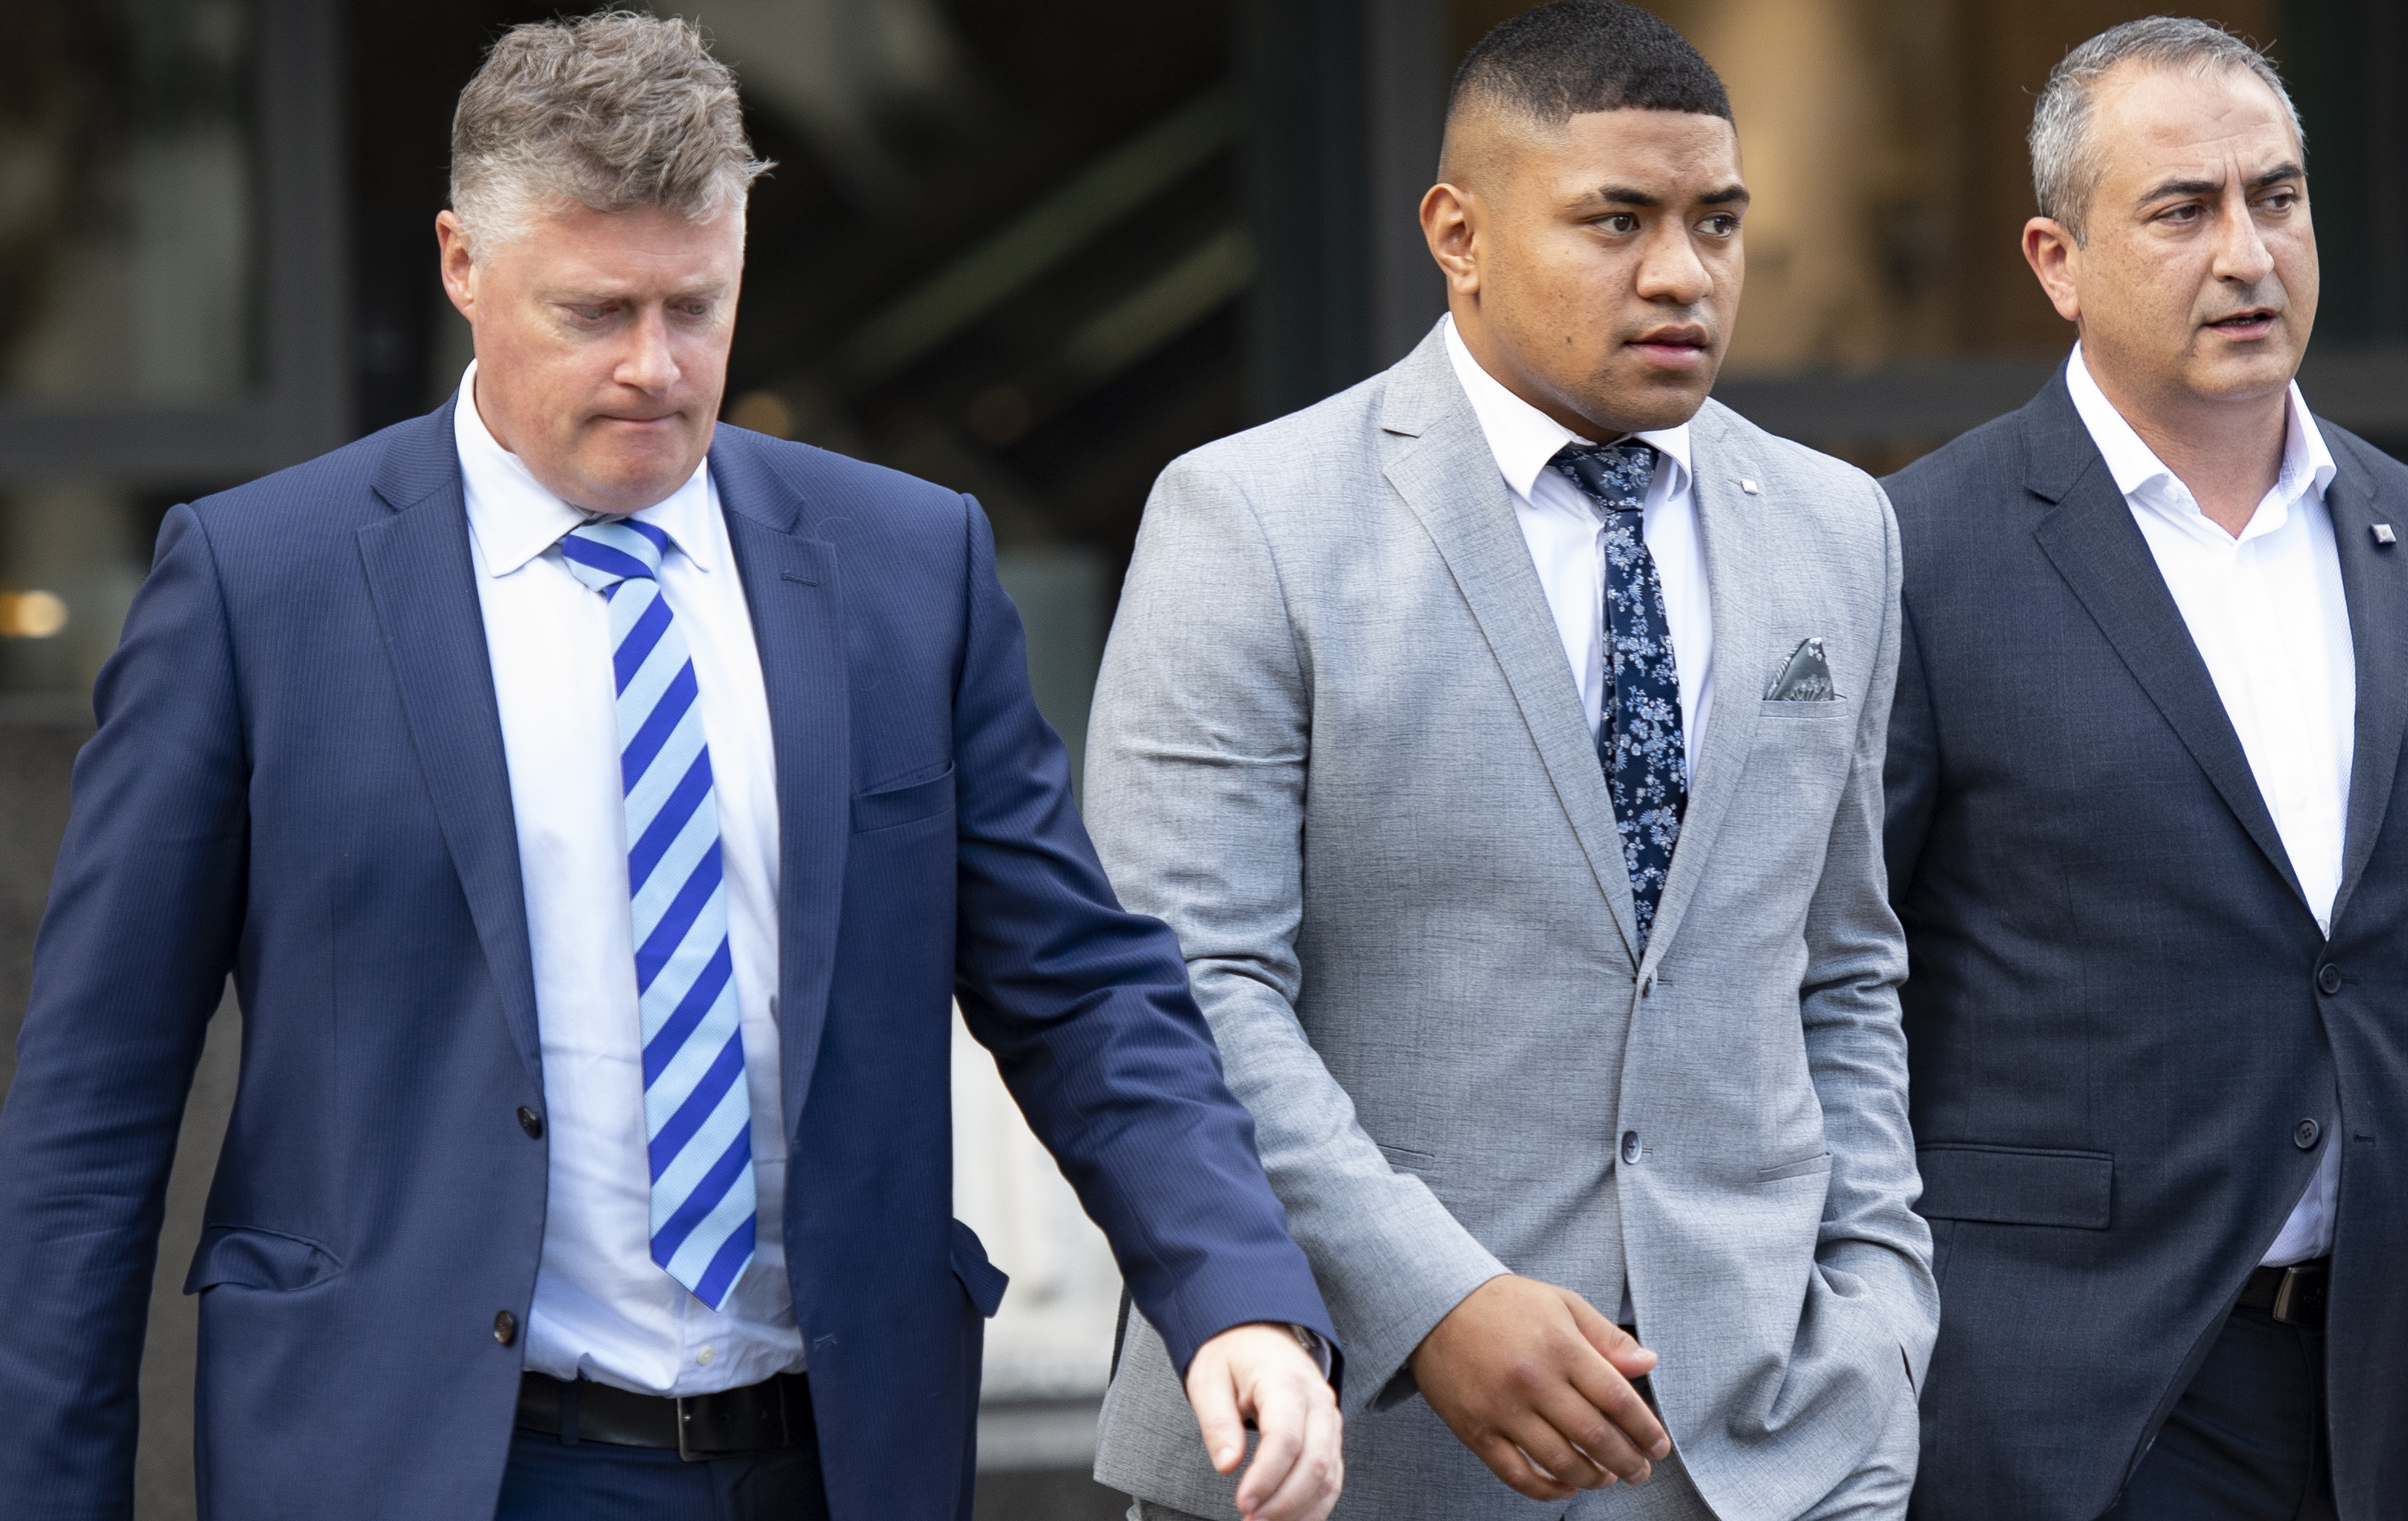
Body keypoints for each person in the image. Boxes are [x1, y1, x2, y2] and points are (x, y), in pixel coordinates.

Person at [0, 15, 1343, 1521]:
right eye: (594, 311)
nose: (655, 367)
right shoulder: (259, 586)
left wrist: (1235, 1293)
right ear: (461, 264)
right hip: (422, 1465)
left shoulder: (908, 568)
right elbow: (92, 1112)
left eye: (695, 306)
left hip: (833, 1459)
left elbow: (1082, 992)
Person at [1085, 5, 1933, 1519]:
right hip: (1351, 1445)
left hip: (1761, 1447)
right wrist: (1432, 1298)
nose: (1681, 274)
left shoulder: (1835, 526)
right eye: (1615, 220)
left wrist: (1877, 1321)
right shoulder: (1249, 519)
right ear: (1456, 235)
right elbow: (1189, 985)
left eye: (1715, 221)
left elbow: (1840, 968)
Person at [1881, 17, 2408, 1519]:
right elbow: (1825, 993)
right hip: (2058, 1418)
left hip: (2385, 1403)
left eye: (2276, 197)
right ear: (2056, 261)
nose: (2247, 253)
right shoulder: (1912, 560)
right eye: (2180, 209)